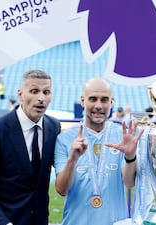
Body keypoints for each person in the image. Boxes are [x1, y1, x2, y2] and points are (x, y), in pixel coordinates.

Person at [0, 69, 61, 225]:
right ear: (20, 94)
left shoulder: (53, 127)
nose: (41, 98)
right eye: (34, 91)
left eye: (46, 92)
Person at [54, 77, 144, 225]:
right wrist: (72, 159)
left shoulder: (122, 136)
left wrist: (130, 156)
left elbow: (129, 183)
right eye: (93, 99)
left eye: (104, 100)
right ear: (83, 101)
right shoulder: (65, 139)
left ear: (111, 102)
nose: (98, 105)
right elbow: (61, 189)